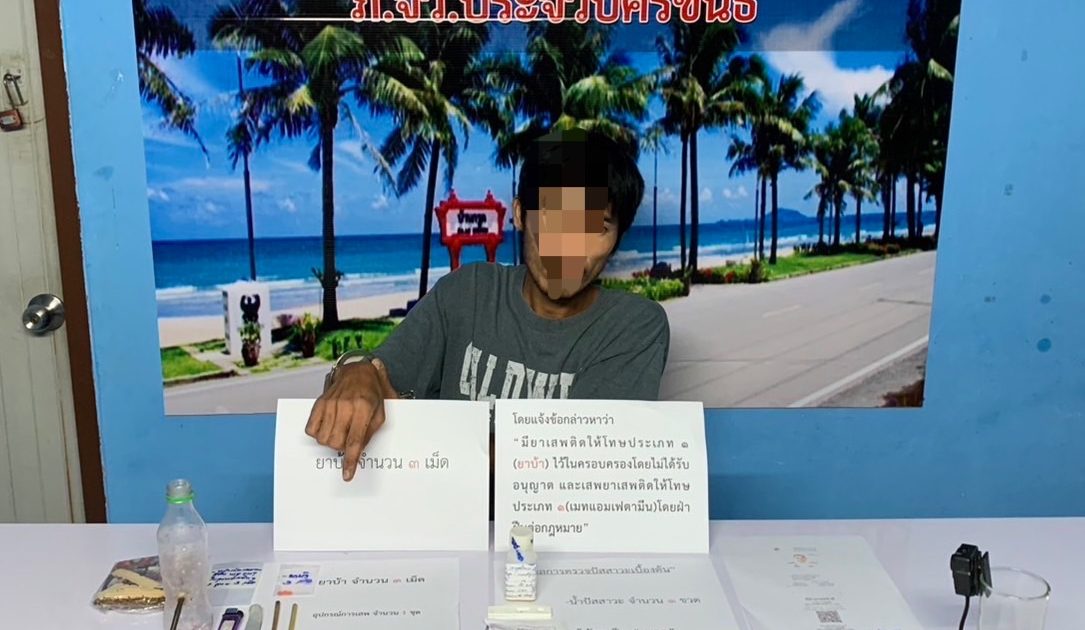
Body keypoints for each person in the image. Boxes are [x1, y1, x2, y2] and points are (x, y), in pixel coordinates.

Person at [305, 127, 670, 480]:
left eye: (597, 227)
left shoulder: (635, 326)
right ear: (520, 214)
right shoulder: (469, 292)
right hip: (442, 518)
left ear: (618, 238)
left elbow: (579, 464)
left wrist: (426, 437)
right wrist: (356, 372)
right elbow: (378, 375)